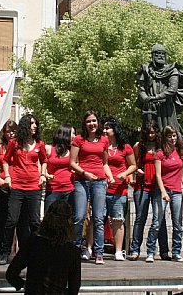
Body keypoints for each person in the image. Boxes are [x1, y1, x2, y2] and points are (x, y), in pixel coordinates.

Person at [6, 200, 81, 295]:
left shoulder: (32, 243)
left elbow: (11, 274)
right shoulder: (72, 250)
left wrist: (25, 285)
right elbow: (74, 288)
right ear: (68, 222)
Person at [0, 114, 47, 265]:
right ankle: (5, 252)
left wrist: (43, 174)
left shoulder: (39, 144)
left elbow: (44, 160)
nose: (34, 126)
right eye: (32, 123)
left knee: (34, 221)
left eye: (36, 124)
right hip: (17, 186)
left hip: (34, 186)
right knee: (11, 220)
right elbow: (5, 160)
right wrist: (7, 176)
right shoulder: (15, 143)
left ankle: (35, 252)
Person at [70, 111, 114, 265]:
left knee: (98, 218)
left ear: (98, 122)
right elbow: (72, 163)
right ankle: (75, 250)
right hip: (82, 180)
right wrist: (85, 173)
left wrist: (110, 176)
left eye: (94, 121)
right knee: (79, 217)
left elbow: (105, 163)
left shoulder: (104, 140)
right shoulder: (78, 140)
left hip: (99, 181)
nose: (92, 124)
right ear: (85, 123)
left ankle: (99, 252)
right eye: (88, 121)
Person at [136, 44, 183, 144]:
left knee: (170, 134)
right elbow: (141, 89)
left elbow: (172, 89)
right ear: (153, 55)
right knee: (148, 135)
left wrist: (156, 97)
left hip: (167, 109)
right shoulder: (145, 69)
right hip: (150, 108)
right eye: (157, 53)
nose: (160, 56)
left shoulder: (172, 70)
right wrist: (146, 99)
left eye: (163, 54)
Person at [127, 122, 168, 261]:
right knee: (140, 219)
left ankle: (164, 251)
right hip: (142, 186)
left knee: (160, 219)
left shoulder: (161, 147)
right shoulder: (139, 146)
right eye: (148, 132)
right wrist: (135, 173)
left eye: (153, 132)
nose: (151, 135)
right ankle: (134, 250)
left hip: (157, 187)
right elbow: (132, 164)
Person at [146, 125, 183, 263]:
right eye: (170, 136)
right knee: (157, 222)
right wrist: (163, 192)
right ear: (165, 138)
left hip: (176, 191)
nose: (173, 139)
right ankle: (151, 251)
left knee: (177, 224)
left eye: (174, 136)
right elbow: (157, 175)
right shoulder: (160, 153)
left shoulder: (181, 153)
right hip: (162, 190)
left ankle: (176, 252)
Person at [103, 118, 136, 261]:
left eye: (107, 128)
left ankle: (118, 250)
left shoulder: (125, 147)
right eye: (103, 128)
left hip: (119, 189)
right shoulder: (101, 146)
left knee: (117, 220)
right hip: (101, 187)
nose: (104, 131)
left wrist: (125, 174)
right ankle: (92, 249)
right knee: (96, 219)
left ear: (115, 130)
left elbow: (133, 165)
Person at [0, 120, 17, 263]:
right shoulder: (0, 147)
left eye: (13, 131)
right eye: (8, 131)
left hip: (16, 186)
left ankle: (9, 250)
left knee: (12, 219)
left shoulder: (20, 146)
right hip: (1, 185)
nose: (11, 134)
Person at [43, 123, 76, 213]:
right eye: (72, 133)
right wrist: (45, 174)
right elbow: (41, 163)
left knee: (68, 219)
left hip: (70, 189)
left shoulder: (73, 151)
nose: (75, 136)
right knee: (50, 218)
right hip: (53, 189)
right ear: (65, 134)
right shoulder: (49, 149)